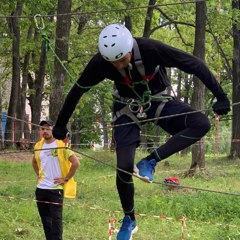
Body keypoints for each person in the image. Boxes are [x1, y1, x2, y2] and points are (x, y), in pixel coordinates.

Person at [52, 24, 230, 240]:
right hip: (126, 109)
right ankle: (129, 219)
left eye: (122, 59)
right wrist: (61, 124)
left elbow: (194, 64)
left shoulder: (150, 49)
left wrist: (220, 95)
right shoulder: (100, 62)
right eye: (113, 62)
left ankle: (150, 161)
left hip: (157, 100)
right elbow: (77, 91)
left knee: (201, 123)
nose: (118, 65)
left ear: (129, 49)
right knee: (124, 167)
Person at [32, 120, 80, 240]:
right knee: (45, 220)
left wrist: (66, 178)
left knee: (56, 220)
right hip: (41, 189)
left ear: (53, 130)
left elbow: (75, 163)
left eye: (48, 128)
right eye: (43, 129)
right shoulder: (38, 146)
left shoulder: (61, 145)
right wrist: (39, 174)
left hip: (55, 189)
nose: (45, 131)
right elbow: (34, 161)